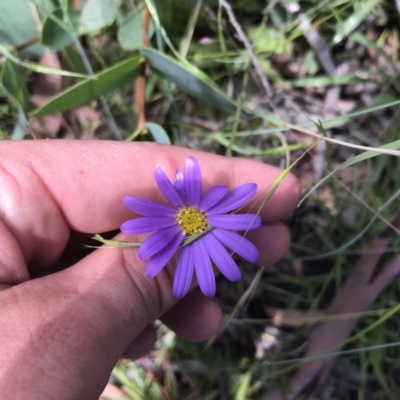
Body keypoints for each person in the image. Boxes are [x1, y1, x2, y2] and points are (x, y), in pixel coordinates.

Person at [0, 140, 301, 399]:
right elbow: (141, 233)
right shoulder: (179, 222)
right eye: (188, 219)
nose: (192, 223)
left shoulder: (205, 215)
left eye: (193, 219)